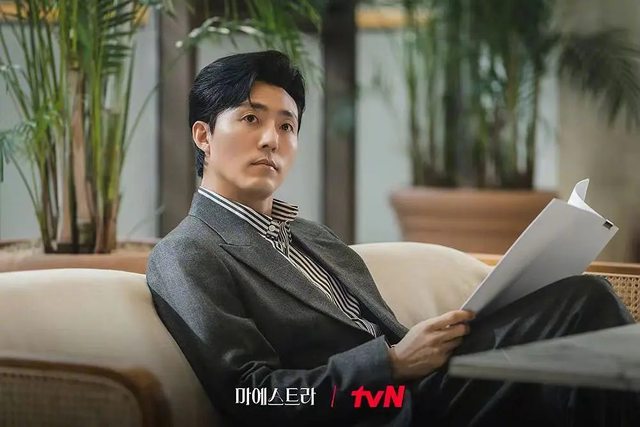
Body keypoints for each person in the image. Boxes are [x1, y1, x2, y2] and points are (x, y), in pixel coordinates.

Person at [146, 50, 639, 427]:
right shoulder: (187, 253)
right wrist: (391, 365)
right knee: (583, 303)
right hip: (374, 406)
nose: (272, 139)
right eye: (251, 118)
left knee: (574, 329)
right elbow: (251, 396)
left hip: (421, 390)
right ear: (204, 136)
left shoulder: (312, 237)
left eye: (287, 125)